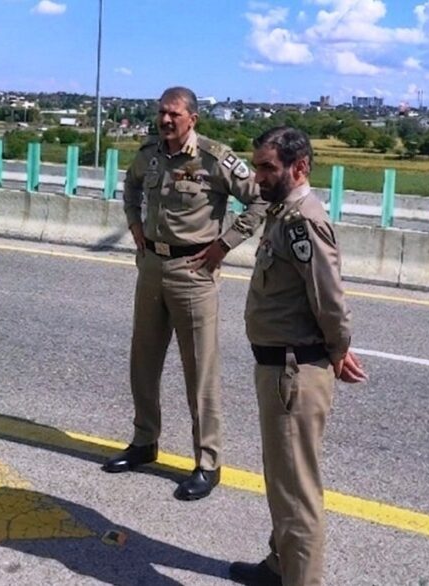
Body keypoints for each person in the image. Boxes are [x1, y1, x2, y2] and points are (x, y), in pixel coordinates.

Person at [104, 86, 267, 501]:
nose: (165, 120)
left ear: (192, 118)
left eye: (174, 114)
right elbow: (132, 187)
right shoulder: (150, 154)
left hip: (195, 272)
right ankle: (144, 442)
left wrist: (225, 244)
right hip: (152, 267)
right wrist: (135, 226)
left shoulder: (213, 158)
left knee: (200, 372)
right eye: (161, 112)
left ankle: (207, 462)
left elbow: (260, 201)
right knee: (143, 361)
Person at [229, 127, 366, 586]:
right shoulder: (282, 212)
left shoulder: (303, 219)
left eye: (268, 167)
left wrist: (337, 349)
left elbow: (330, 300)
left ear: (299, 167)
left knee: (297, 494)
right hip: (279, 366)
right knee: (282, 480)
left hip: (293, 371)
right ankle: (279, 565)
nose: (258, 176)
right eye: (257, 166)